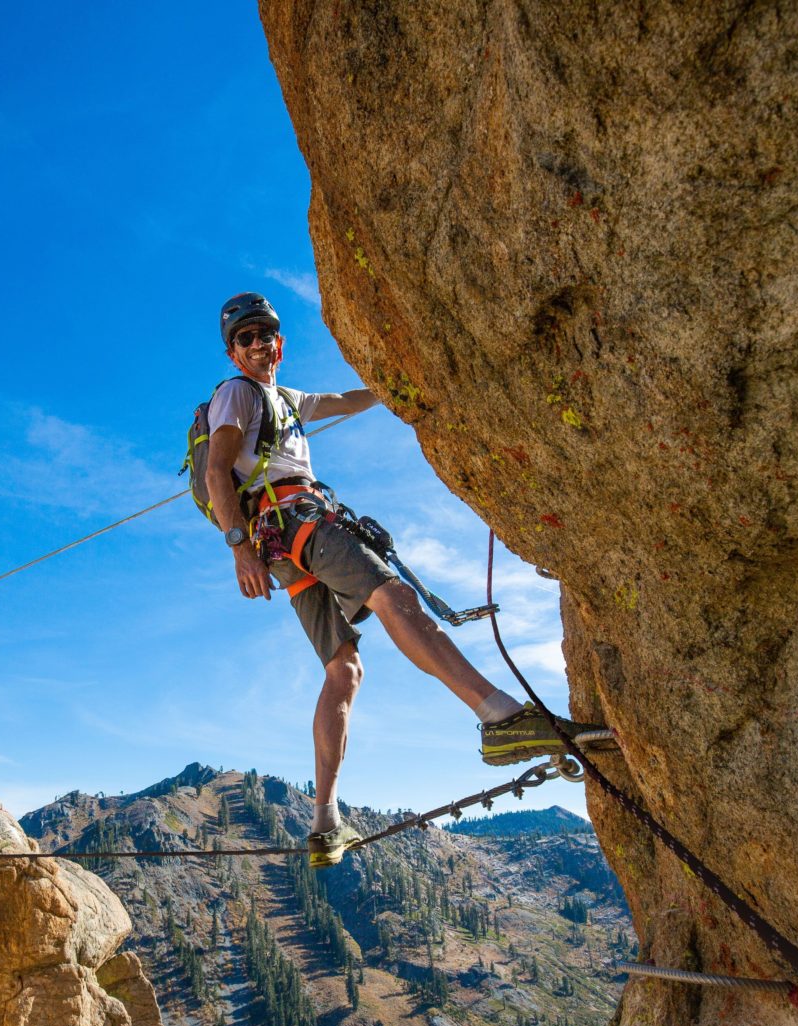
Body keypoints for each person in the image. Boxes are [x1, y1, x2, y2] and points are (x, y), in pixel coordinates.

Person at [205, 292, 588, 868]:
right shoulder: (236, 393)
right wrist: (238, 549)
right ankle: (499, 715)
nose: (259, 344)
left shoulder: (287, 399)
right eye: (246, 338)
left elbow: (345, 400)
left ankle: (325, 822)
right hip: (297, 522)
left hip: (283, 546)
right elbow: (216, 467)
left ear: (280, 342)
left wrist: (402, 387)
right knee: (393, 596)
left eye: (266, 334)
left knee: (344, 669)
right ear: (233, 353)